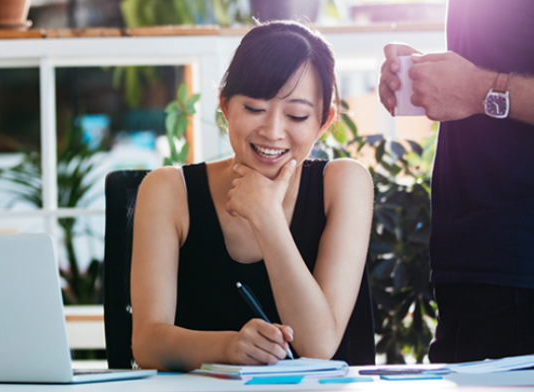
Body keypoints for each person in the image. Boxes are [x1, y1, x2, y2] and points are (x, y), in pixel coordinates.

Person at [129, 21, 374, 371]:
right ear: (225, 107)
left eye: (297, 115)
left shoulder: (344, 183)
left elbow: (318, 345)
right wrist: (230, 346)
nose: (273, 131)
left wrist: (266, 216)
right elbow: (148, 343)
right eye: (254, 109)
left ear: (323, 121)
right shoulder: (169, 190)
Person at [377, 0, 534, 363]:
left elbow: (481, 86)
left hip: (518, 268)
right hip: (467, 259)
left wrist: (480, 88)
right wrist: (425, 78)